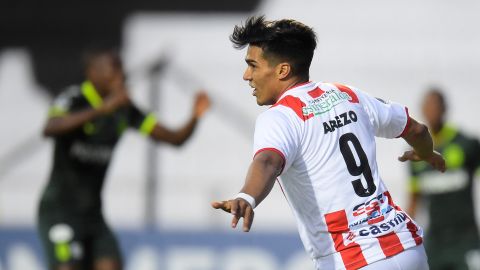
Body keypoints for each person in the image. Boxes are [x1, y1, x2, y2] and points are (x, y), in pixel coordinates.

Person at [211, 16, 445, 270]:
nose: (247, 75)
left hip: (353, 258)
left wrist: (248, 195)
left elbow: (268, 160)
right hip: (407, 246)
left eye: (253, 65)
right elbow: (417, 129)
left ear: (282, 70)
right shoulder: (348, 94)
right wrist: (426, 152)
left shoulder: (279, 116)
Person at [38, 47, 210, 270]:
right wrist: (101, 110)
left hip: (92, 215)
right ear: (93, 73)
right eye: (114, 71)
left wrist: (194, 117)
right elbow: (50, 128)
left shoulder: (124, 109)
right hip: (59, 211)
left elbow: (174, 139)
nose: (120, 77)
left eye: (121, 71)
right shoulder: (75, 98)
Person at [406, 88, 480, 270]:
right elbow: (414, 199)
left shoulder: (466, 144)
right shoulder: (417, 155)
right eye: (428, 107)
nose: (432, 112)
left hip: (466, 238)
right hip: (436, 242)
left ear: (445, 109)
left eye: (436, 107)